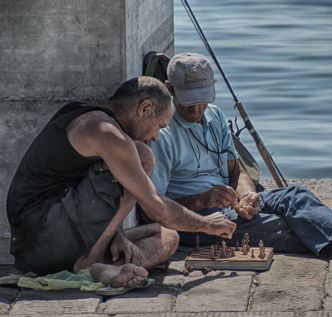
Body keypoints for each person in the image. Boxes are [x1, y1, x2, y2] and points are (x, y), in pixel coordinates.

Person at [151, 53, 332, 261]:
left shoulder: (215, 116)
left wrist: (246, 196)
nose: (197, 108)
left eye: (202, 99)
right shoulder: (161, 133)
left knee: (295, 196)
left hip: (231, 207)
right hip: (199, 220)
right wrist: (202, 199)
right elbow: (155, 206)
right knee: (285, 226)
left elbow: (237, 171)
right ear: (169, 89)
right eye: (188, 100)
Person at [7, 76, 236, 288]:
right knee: (143, 155)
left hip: (60, 237)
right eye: (160, 126)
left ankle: (109, 268)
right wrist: (208, 224)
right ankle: (91, 262)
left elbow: (79, 189)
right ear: (145, 109)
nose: (156, 136)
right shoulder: (104, 131)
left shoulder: (103, 124)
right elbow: (156, 207)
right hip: (41, 240)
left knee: (168, 237)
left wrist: (116, 233)